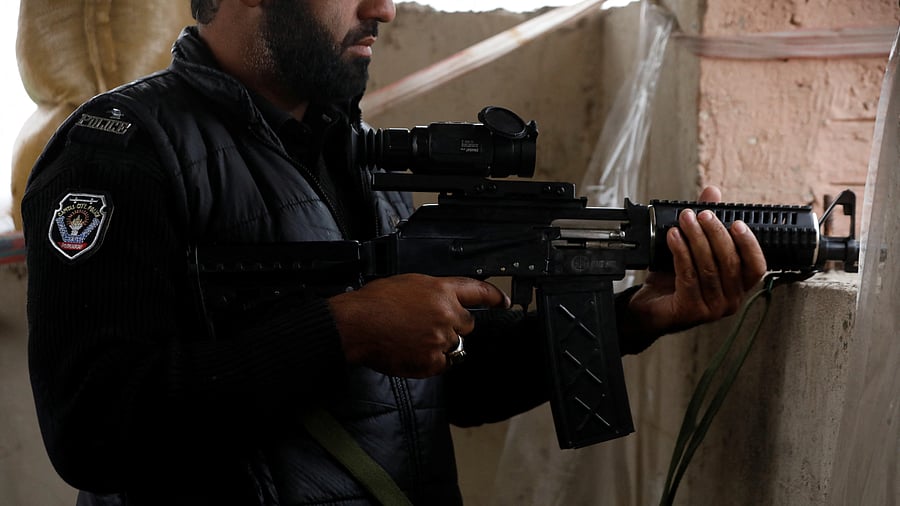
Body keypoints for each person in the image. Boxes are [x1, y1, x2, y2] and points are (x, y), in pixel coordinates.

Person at [20, 0, 767, 504]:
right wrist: (344, 330)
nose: (385, 7)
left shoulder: (354, 151)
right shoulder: (117, 152)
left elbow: (446, 381)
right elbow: (92, 428)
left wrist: (633, 317)